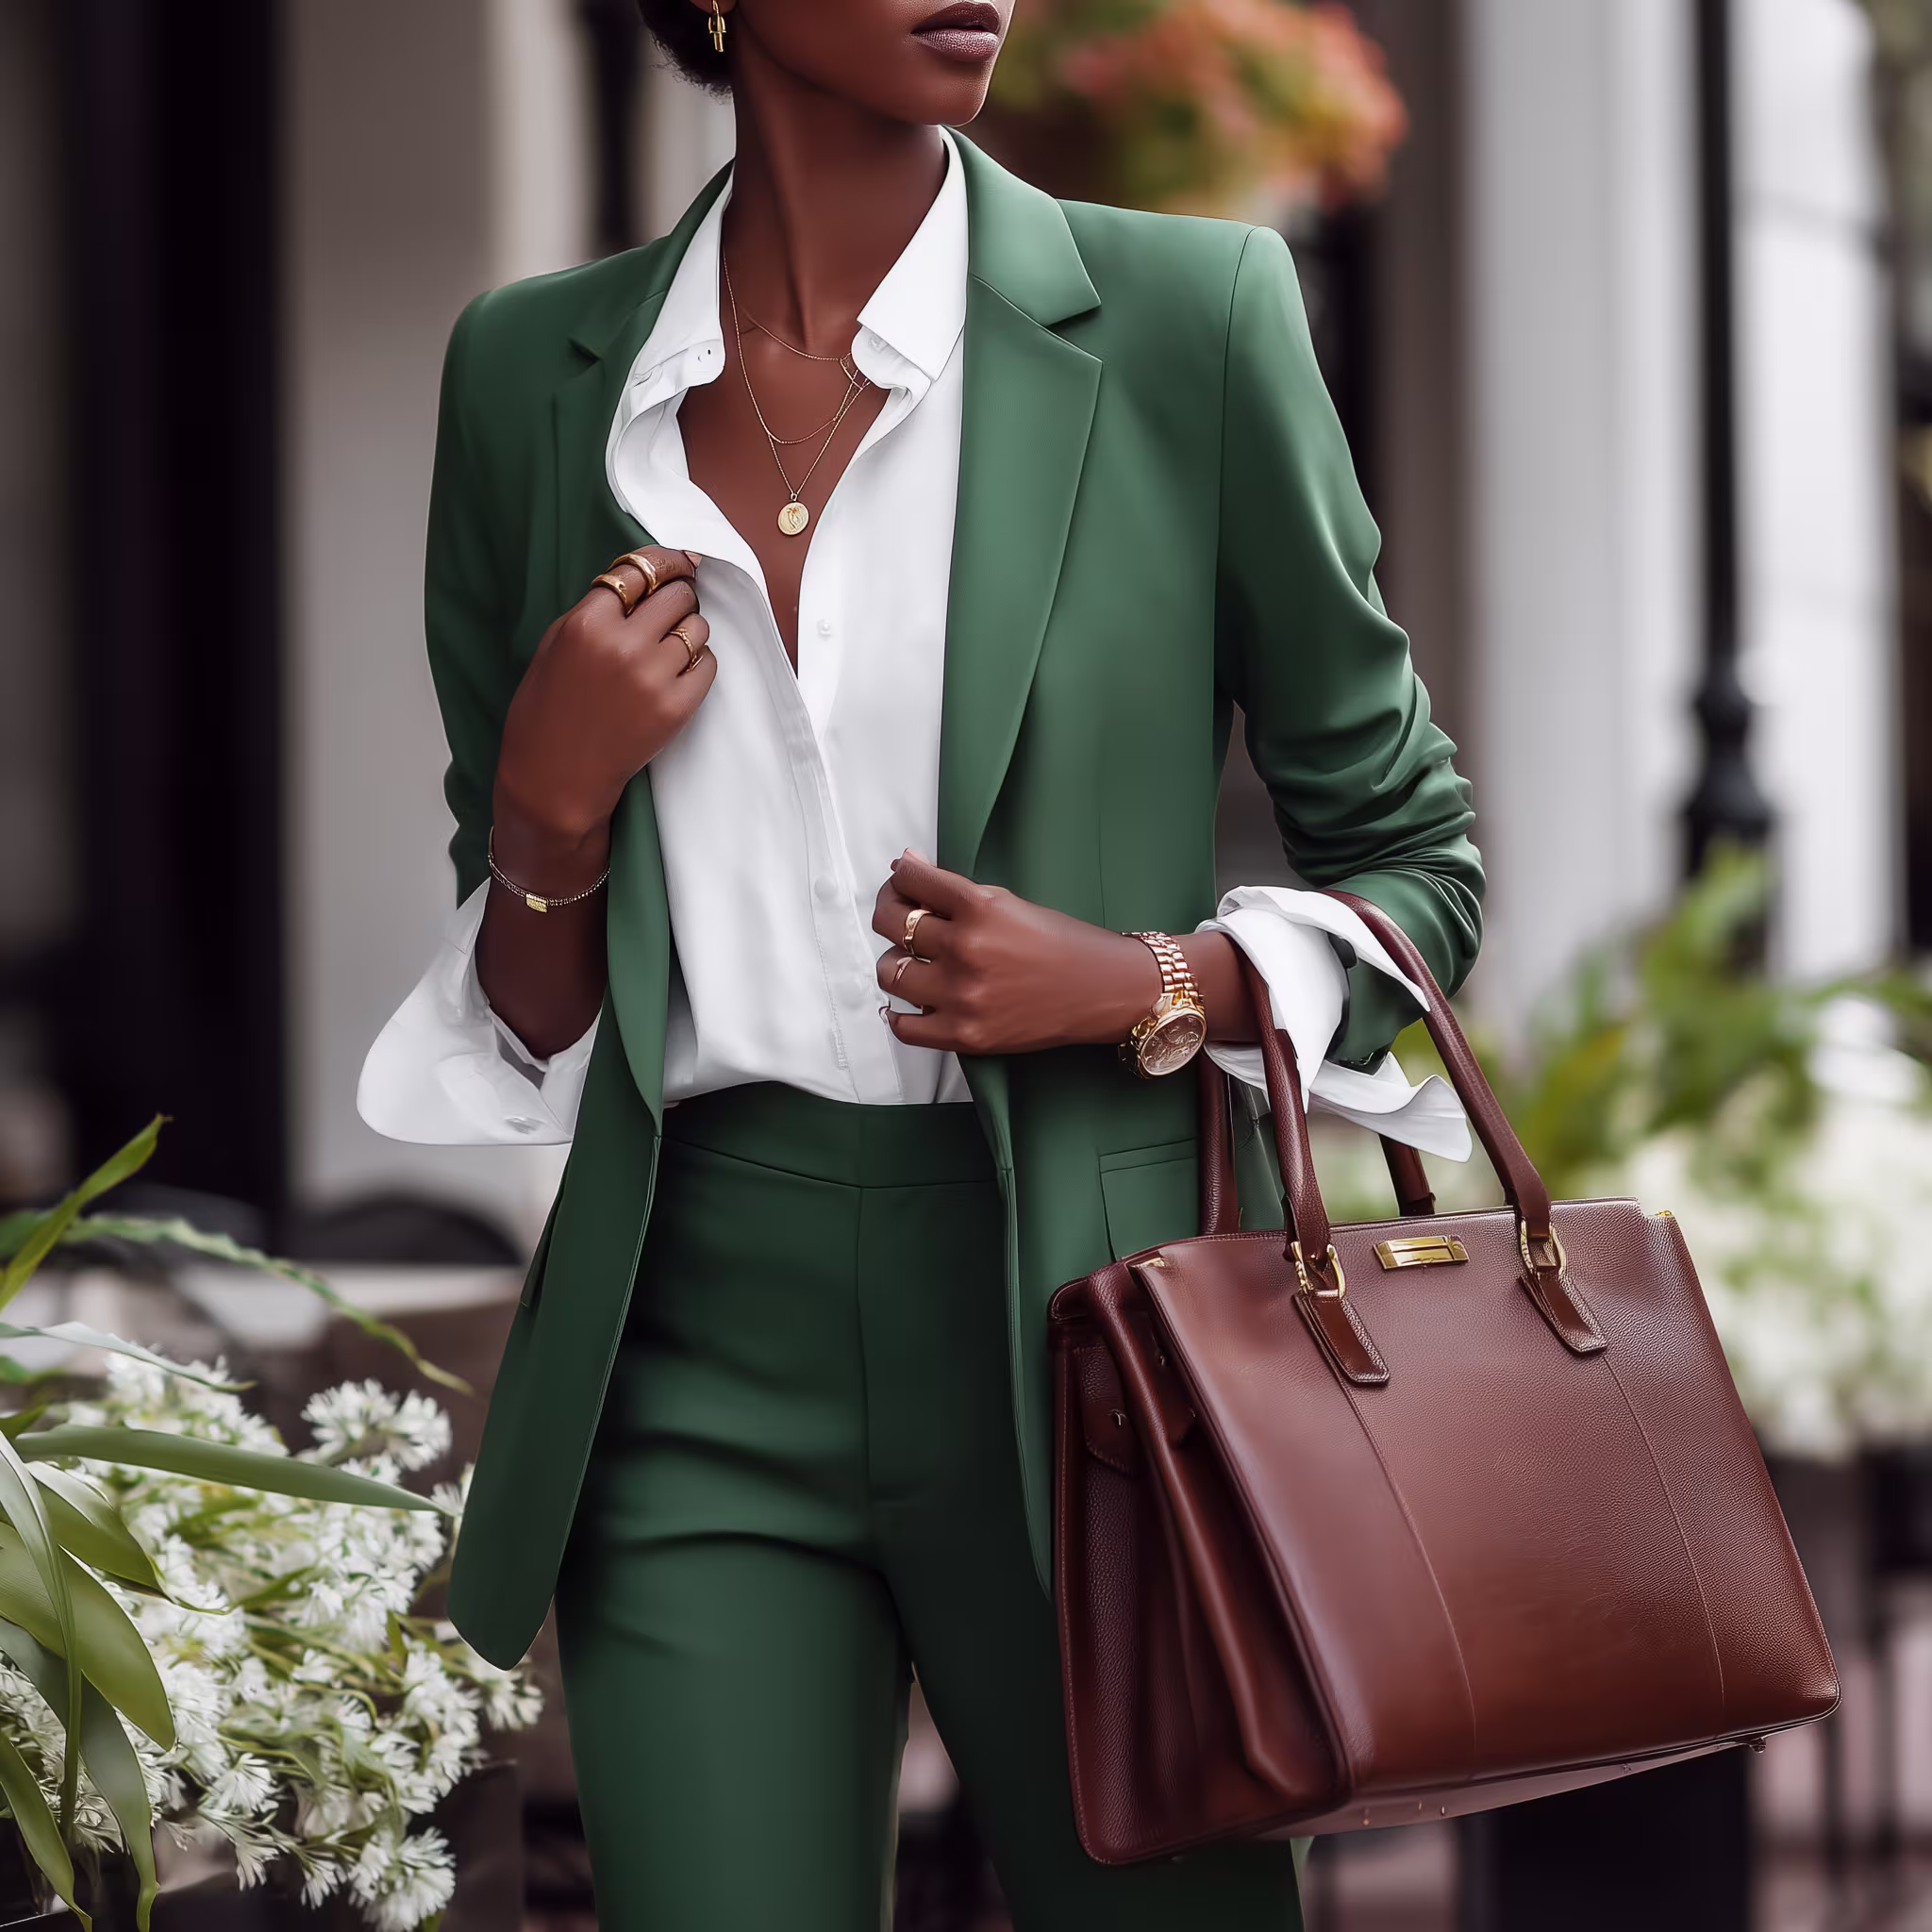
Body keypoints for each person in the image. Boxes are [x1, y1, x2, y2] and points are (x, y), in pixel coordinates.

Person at [359, 0, 1482, 1921]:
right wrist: (544, 822)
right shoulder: (531, 372)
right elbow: (543, 1009)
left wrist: (1144, 981)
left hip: (1108, 1356)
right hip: (691, 1350)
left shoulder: (1193, 320)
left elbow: (1417, 866)